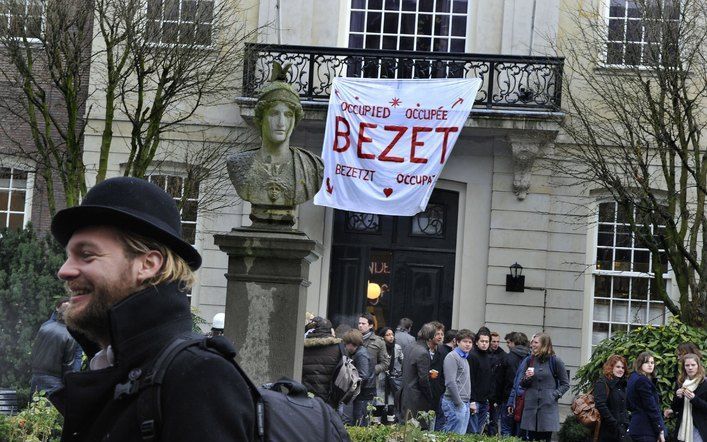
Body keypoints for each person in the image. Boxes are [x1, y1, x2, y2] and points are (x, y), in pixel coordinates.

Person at [49, 176, 255, 441]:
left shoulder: (198, 376)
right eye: (68, 256)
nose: (64, 270)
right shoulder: (112, 364)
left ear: (147, 265)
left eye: (86, 254)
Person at [227, 62, 323, 225]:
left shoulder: (312, 167)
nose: (281, 123)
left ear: (295, 120)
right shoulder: (238, 163)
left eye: (288, 115)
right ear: (260, 119)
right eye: (274, 114)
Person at [518, 332, 570, 442]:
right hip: (531, 408)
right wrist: (527, 377)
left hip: (547, 407)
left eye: (536, 342)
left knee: (545, 438)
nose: (532, 345)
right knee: (531, 438)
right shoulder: (529, 360)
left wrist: (554, 395)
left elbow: (565, 384)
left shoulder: (555, 361)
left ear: (544, 344)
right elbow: (522, 384)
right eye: (532, 342)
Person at [30, 298, 79, 396]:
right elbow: (68, 364)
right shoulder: (70, 335)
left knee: (34, 408)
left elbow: (34, 352)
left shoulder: (45, 326)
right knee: (52, 410)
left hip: (36, 377)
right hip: (54, 381)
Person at [399, 322, 437, 429]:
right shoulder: (423, 353)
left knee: (406, 429)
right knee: (416, 430)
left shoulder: (409, 347)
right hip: (416, 399)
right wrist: (430, 396)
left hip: (405, 394)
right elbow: (423, 380)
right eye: (435, 335)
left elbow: (406, 369)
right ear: (430, 337)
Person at [355, 313, 390, 426]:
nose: (360, 325)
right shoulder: (354, 338)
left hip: (369, 384)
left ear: (370, 325)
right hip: (353, 381)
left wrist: (372, 370)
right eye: (359, 323)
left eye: (363, 323)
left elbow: (385, 363)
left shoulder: (378, 341)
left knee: (365, 415)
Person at [302, 316, 342, 408]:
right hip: (329, 397)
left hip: (305, 395)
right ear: (329, 330)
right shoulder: (338, 348)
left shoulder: (302, 347)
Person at [665, 354, 706, 442]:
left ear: (698, 366)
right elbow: (675, 408)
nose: (690, 368)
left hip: (700, 427)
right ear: (684, 367)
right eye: (687, 365)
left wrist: (694, 399)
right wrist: (678, 396)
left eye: (693, 365)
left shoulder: (705, 383)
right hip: (683, 426)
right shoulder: (680, 383)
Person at [627, 351, 666, 442]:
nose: (650, 365)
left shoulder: (633, 377)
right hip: (645, 429)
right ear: (640, 363)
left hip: (636, 425)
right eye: (646, 362)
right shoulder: (642, 381)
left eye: (652, 363)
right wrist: (660, 428)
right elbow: (651, 407)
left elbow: (628, 404)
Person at [441, 329, 473, 434]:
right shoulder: (452, 357)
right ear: (457, 342)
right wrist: (459, 403)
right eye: (465, 341)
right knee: (451, 437)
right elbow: (450, 382)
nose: (468, 344)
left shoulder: (464, 358)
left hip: (464, 403)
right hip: (453, 403)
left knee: (459, 437)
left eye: (470, 342)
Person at [594, 354, 629, 442]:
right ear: (610, 367)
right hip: (607, 431)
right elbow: (601, 405)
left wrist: (627, 423)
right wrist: (614, 423)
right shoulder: (602, 383)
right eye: (618, 367)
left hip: (622, 431)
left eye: (623, 367)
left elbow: (625, 407)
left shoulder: (623, 385)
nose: (621, 370)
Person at [502, 331, 531, 437]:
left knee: (506, 428)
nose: (508, 345)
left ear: (514, 343)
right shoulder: (531, 357)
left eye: (509, 342)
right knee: (520, 430)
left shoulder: (508, 357)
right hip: (524, 397)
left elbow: (502, 380)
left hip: (509, 397)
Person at [340, 329, 370, 425]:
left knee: (359, 422)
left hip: (362, 393)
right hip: (359, 392)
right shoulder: (357, 353)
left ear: (352, 343)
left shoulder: (361, 354)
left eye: (346, 344)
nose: (345, 346)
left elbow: (363, 375)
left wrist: (350, 386)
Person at [467, 327, 493, 434]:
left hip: (484, 400)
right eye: (482, 341)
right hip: (475, 400)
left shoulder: (488, 356)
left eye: (487, 341)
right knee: (473, 432)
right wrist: (472, 400)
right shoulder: (472, 356)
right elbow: (471, 379)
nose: (484, 344)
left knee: (479, 432)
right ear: (476, 342)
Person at [376, 327, 403, 424]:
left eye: (392, 334)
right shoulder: (378, 347)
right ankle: (375, 428)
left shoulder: (397, 348)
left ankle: (391, 430)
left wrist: (399, 374)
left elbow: (402, 361)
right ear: (382, 337)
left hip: (391, 380)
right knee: (378, 405)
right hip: (380, 379)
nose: (391, 337)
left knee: (391, 407)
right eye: (388, 335)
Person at [487, 331, 508, 435]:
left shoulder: (503, 355)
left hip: (496, 394)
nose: (495, 344)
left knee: (494, 421)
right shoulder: (484, 353)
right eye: (493, 341)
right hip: (485, 392)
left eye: (498, 341)